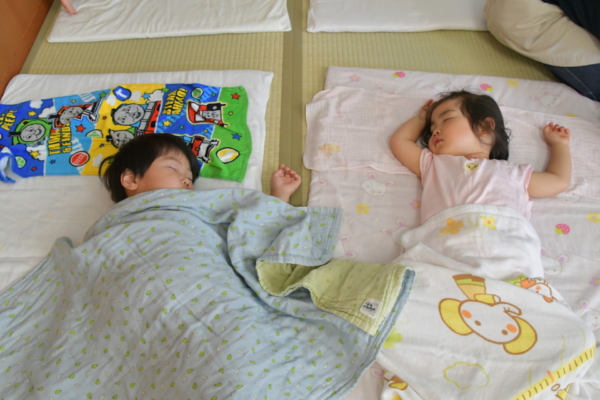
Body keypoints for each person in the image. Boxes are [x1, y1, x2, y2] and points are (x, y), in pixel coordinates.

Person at [389, 91, 571, 224]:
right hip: (445, 237)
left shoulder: (514, 173)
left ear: (484, 127)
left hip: (506, 241)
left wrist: (559, 145)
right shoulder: (435, 164)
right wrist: (421, 119)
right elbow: (400, 141)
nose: (435, 130)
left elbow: (558, 180)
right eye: (431, 128)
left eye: (446, 120)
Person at [99, 134, 301, 204]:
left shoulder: (200, 207)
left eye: (189, 178)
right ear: (131, 179)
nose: (186, 181)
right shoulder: (115, 223)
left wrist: (280, 195)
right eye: (173, 168)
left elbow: (250, 227)